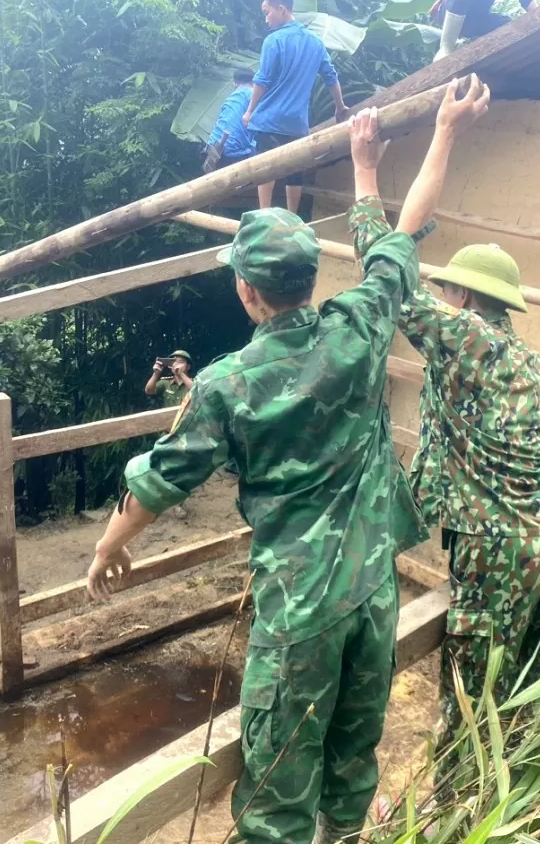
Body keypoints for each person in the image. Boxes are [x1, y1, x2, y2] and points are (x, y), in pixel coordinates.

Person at [84, 78, 490, 844]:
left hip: (299, 610)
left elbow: (160, 481)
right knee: (350, 763)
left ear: (245, 291)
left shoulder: (227, 384)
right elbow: (405, 232)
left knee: (275, 793)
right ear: (310, 279)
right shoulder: (360, 324)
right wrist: (430, 137)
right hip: (372, 593)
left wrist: (109, 546)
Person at [353, 221, 540, 780]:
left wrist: (364, 185)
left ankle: (458, 814)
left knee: (469, 707)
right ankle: (518, 797)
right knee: (524, 685)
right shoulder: (536, 366)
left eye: (449, 291)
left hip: (496, 554)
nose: (444, 299)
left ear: (465, 296)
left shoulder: (462, 337)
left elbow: (389, 275)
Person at [243, 0, 349, 213]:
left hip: (270, 120)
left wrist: (249, 111)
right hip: (297, 125)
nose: (266, 18)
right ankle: (292, 217)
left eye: (267, 12)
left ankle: (263, 214)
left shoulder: (274, 40)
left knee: (265, 168)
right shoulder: (316, 42)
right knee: (295, 171)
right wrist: (340, 107)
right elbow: (331, 77)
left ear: (281, 9)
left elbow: (262, 80)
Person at [431, 0, 538, 62]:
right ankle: (446, 48)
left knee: (506, 24)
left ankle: (474, 47)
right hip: (451, 12)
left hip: (476, 20)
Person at [204, 69, 257, 174]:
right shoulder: (253, 95)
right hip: (235, 154)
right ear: (254, 82)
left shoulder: (229, 99)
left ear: (234, 83)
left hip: (212, 148)